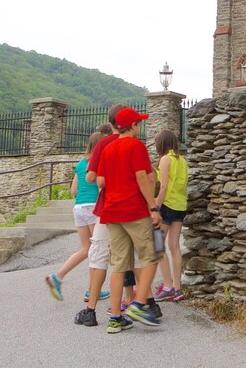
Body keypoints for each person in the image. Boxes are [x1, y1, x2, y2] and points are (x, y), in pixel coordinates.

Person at [97, 107, 163, 333]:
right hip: (134, 210)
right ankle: (138, 303)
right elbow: (142, 178)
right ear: (133, 125)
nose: (140, 127)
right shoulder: (136, 146)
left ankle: (115, 318)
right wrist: (153, 206)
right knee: (151, 256)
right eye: (139, 123)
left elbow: (100, 182)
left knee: (119, 265)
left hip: (112, 212)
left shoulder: (108, 148)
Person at [73, 106, 123, 328]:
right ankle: (125, 308)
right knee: (126, 259)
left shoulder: (103, 145)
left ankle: (90, 310)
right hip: (128, 207)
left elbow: (94, 177)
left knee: (98, 255)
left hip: (105, 207)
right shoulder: (134, 144)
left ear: (109, 122)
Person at [45, 131, 108, 302]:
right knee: (96, 250)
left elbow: (73, 190)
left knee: (85, 249)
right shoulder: (99, 162)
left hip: (78, 207)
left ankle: (57, 277)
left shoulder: (80, 163)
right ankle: (91, 290)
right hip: (94, 206)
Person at [152, 129, 188, 302]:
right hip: (180, 206)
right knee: (174, 246)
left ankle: (167, 286)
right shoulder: (182, 160)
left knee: (157, 244)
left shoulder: (165, 159)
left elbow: (163, 186)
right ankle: (177, 287)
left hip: (166, 206)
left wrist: (155, 207)